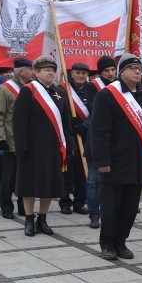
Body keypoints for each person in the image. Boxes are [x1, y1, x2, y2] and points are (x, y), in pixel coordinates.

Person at [91, 54, 142, 261]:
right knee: (110, 207)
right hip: (115, 162)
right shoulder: (108, 95)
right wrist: (102, 161)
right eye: (132, 68)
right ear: (122, 72)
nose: (138, 71)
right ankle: (108, 244)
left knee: (129, 208)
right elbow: (99, 131)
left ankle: (121, 242)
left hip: (137, 162)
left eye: (139, 68)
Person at [13, 56, 74, 237]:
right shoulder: (28, 91)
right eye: (46, 70)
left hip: (54, 147)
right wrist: (21, 146)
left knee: (49, 184)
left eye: (52, 70)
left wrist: (70, 145)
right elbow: (19, 122)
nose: (50, 72)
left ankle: (43, 218)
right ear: (36, 72)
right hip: (32, 148)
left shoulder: (60, 92)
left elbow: (66, 121)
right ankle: (29, 219)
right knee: (29, 184)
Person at [0, 57, 33, 219]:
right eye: (30, 69)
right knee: (8, 178)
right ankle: (6, 206)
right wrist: (0, 138)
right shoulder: (5, 89)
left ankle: (24, 206)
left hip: (28, 140)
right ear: (21, 71)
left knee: (26, 177)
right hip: (11, 140)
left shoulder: (32, 88)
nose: (33, 72)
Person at [84, 55, 116, 229]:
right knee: (93, 180)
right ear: (100, 72)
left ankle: (109, 211)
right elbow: (93, 109)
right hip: (96, 140)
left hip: (116, 142)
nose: (111, 73)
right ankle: (94, 214)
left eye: (113, 69)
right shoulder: (92, 86)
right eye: (106, 71)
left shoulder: (122, 86)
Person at [60, 62, 92, 216]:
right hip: (67, 135)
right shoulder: (63, 90)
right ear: (71, 74)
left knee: (82, 171)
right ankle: (65, 202)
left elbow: (95, 112)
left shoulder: (92, 91)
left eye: (83, 73)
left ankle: (79, 202)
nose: (80, 76)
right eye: (78, 73)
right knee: (67, 170)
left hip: (84, 136)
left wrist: (84, 125)